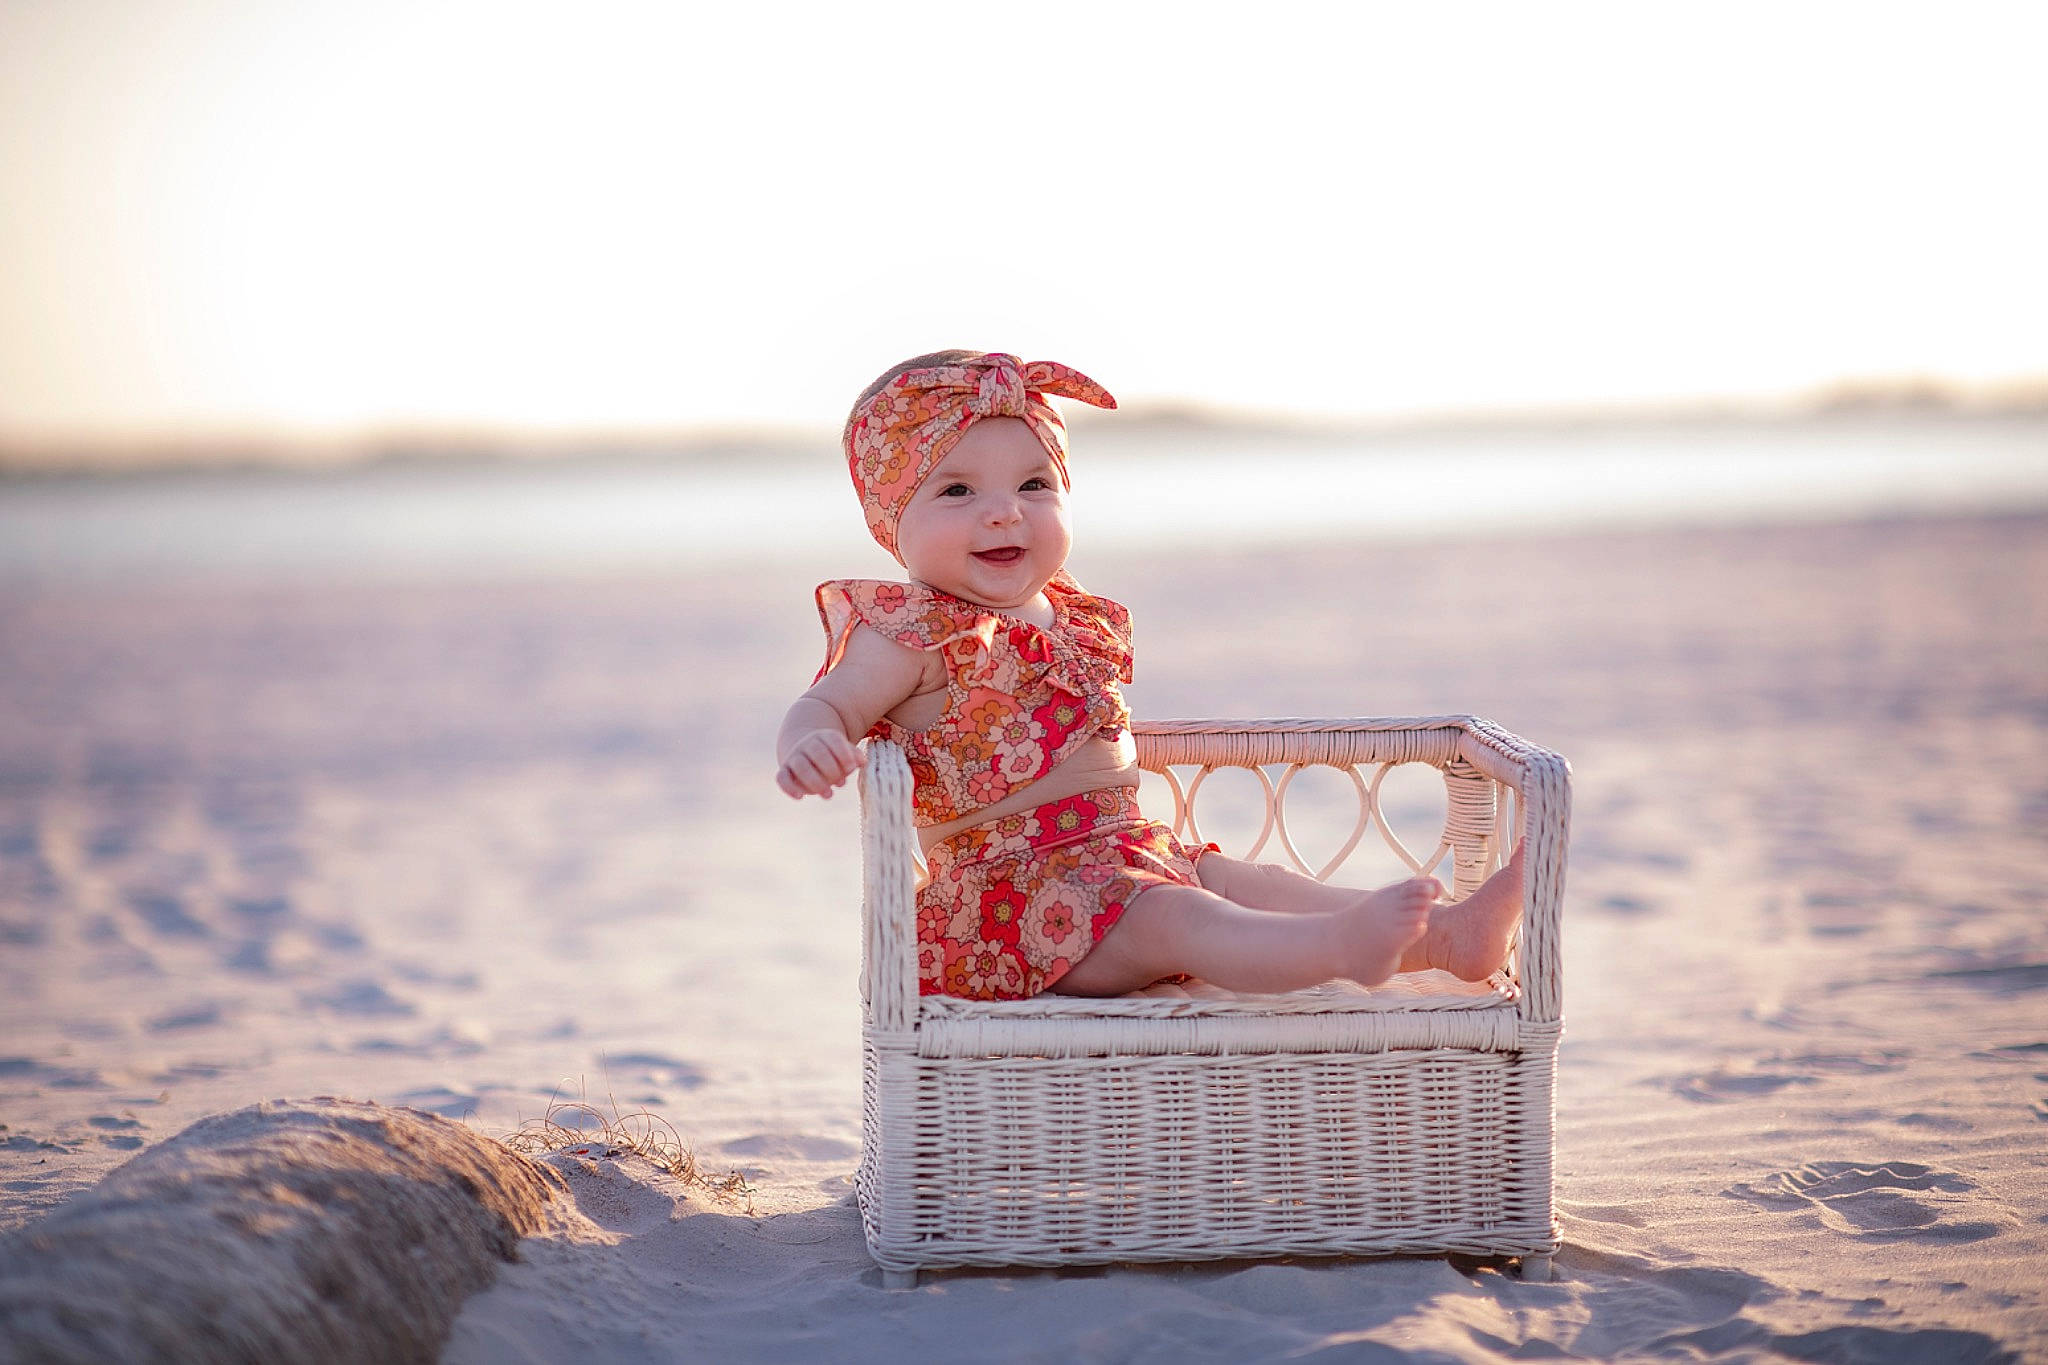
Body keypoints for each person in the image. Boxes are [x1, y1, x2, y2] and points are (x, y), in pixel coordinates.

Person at [776, 350, 1524, 1001]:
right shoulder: (911, 632)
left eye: (1034, 484)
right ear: (891, 520)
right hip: (1019, 908)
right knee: (1184, 919)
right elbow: (824, 705)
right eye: (957, 491)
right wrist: (810, 741)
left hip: (1123, 856)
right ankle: (1343, 951)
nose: (1005, 513)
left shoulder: (1064, 613)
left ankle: (1447, 937)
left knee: (1244, 882)